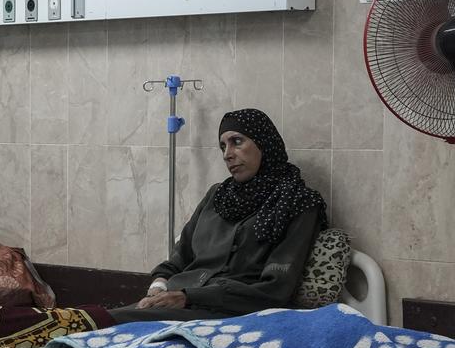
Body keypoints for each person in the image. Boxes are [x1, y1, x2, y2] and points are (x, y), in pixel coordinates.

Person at [136, 108, 326, 316]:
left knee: (113, 326)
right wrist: (158, 287)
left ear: (264, 143)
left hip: (229, 310)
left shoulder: (297, 202)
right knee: (109, 322)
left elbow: (276, 288)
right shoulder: (218, 195)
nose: (227, 154)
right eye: (223, 146)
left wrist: (189, 297)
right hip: (174, 301)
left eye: (237, 142)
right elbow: (181, 256)